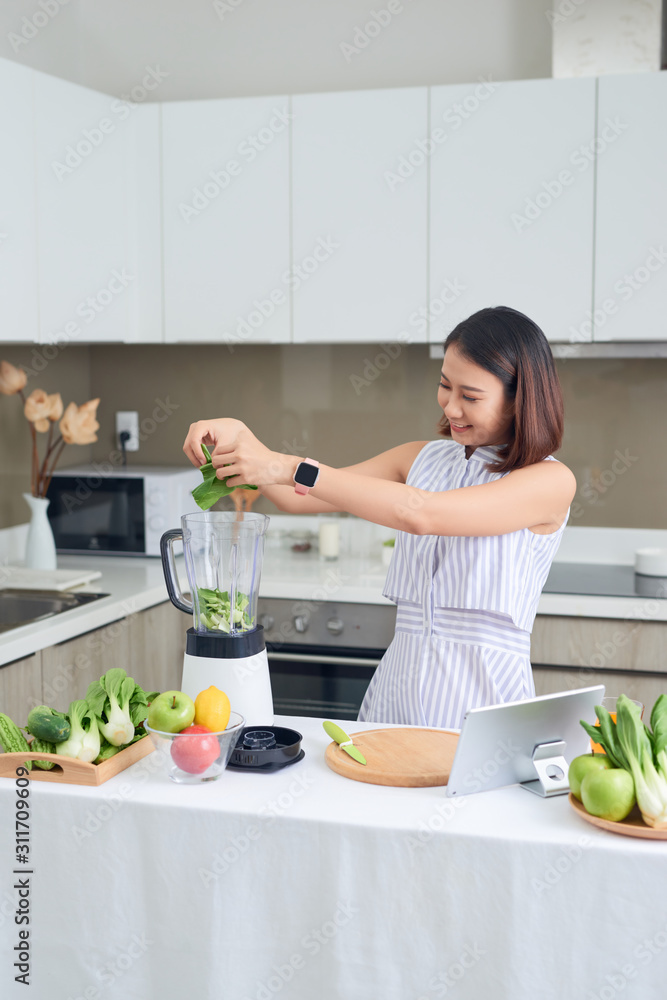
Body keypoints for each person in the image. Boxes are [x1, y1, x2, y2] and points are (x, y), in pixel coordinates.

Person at [182, 306, 576, 729]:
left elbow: (421, 513)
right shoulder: (420, 458)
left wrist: (285, 465)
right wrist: (243, 444)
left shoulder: (549, 481)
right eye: (445, 386)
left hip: (484, 712)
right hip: (395, 703)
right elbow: (300, 499)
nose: (452, 406)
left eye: (471, 396)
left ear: (520, 400)